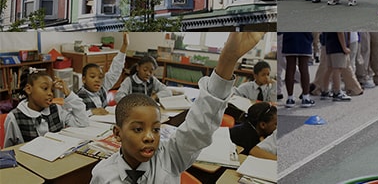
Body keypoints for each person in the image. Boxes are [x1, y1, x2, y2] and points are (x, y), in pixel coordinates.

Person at [90, 33, 264, 183]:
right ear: (117, 133)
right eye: (138, 129)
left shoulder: (169, 157)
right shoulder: (102, 175)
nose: (150, 137)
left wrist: (228, 59)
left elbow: (199, 127)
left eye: (156, 129)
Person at [3, 70, 89, 147]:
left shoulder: (56, 109)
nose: (50, 93)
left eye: (52, 90)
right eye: (45, 88)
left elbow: (81, 123)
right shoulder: (14, 118)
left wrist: (68, 93)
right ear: (29, 89)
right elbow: (8, 151)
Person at [77, 32, 128, 115]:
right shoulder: (78, 97)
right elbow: (74, 117)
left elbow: (115, 70)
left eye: (100, 77)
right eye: (92, 77)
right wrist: (91, 112)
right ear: (84, 79)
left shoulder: (102, 88)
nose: (97, 80)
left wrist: (125, 46)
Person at [282, 32, 314, 108]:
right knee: (304, 67)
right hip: (304, 36)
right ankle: (305, 98)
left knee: (290, 68)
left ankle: (290, 98)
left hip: (289, 37)